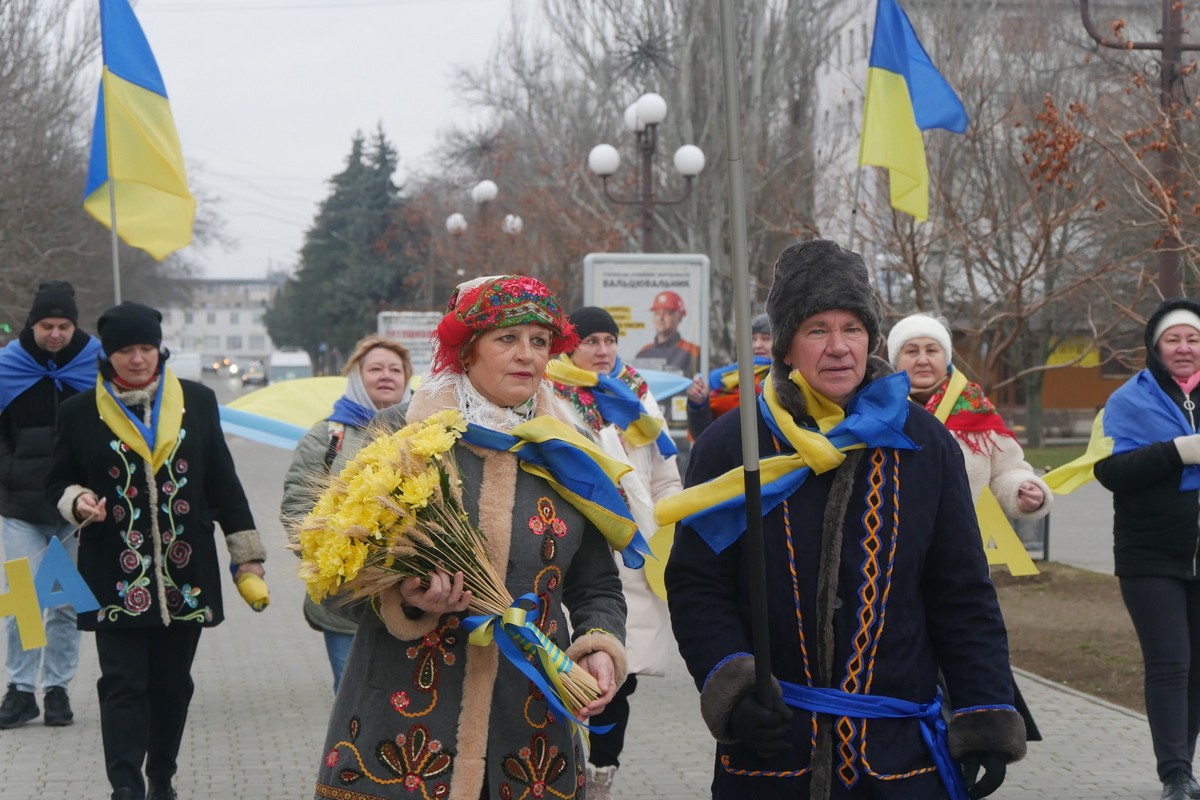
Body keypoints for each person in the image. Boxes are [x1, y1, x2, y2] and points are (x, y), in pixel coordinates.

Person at [662, 240, 1025, 800]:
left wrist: (984, 712)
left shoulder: (923, 444)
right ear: (785, 347)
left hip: (898, 758)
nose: (838, 348)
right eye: (816, 330)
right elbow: (697, 585)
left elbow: (962, 589)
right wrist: (732, 688)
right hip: (773, 753)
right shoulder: (736, 446)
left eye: (852, 328)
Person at [312, 275, 629, 800]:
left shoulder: (571, 450)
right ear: (466, 350)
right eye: (507, 339)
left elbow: (596, 584)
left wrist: (598, 646)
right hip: (405, 727)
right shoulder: (401, 436)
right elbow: (333, 581)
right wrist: (404, 598)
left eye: (539, 341)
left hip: (529, 728)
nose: (526, 355)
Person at [46, 301, 267, 800]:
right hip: (112, 573)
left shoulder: (198, 401)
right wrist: (75, 500)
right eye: (126, 350)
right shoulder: (79, 411)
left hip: (184, 572)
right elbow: (56, 480)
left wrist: (246, 553)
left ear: (159, 348)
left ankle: (160, 774)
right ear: (109, 354)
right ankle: (124, 787)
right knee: (122, 684)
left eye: (146, 347)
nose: (138, 358)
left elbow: (224, 483)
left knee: (172, 686)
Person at [548, 306, 683, 799]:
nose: (602, 351)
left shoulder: (636, 397)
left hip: (635, 560)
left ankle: (601, 772)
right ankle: (567, 766)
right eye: (591, 341)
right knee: (568, 670)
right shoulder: (550, 397)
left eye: (609, 340)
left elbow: (665, 473)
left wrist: (668, 516)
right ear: (569, 347)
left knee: (618, 680)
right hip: (577, 557)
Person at [1092, 299, 1200, 800]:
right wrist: (1178, 451)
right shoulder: (1126, 400)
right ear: (1156, 347)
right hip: (1150, 555)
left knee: (1197, 666)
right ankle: (1174, 775)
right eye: (1174, 339)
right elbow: (1111, 472)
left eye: (1193, 339)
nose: (1184, 347)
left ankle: (1186, 768)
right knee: (1170, 663)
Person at [280, 334, 412, 693]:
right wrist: (337, 563)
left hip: (418, 597)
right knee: (354, 694)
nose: (386, 375)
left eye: (395, 369)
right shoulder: (327, 436)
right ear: (356, 377)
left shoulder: (428, 431)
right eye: (375, 368)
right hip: (347, 602)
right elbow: (296, 510)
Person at [0, 280, 101, 728]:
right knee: (23, 598)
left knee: (63, 604)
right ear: (32, 324)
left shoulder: (95, 364)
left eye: (63, 325)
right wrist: (11, 473)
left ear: (73, 325)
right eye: (46, 325)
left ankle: (57, 689)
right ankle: (20, 690)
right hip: (19, 507)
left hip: (73, 512)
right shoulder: (7, 367)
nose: (55, 334)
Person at [887, 314, 1052, 521]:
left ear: (945, 358)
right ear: (895, 360)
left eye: (931, 350)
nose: (923, 360)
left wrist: (1022, 489)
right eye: (912, 351)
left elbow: (1006, 470)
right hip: (893, 543)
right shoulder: (877, 409)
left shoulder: (976, 408)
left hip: (962, 543)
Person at [685, 312, 772, 440]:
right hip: (727, 456)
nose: (757, 345)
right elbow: (703, 435)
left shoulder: (789, 377)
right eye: (752, 339)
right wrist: (698, 404)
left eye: (765, 338)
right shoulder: (719, 379)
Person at [635, 290, 700, 376]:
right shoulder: (643, 353)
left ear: (679, 317)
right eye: (657, 313)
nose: (661, 318)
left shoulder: (693, 352)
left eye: (667, 313)